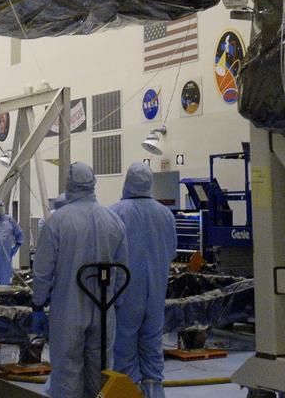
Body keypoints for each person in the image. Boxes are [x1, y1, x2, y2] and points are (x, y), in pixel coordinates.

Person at [32, 162, 129, 398]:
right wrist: (117, 301)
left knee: (67, 373)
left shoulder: (58, 221)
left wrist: (38, 303)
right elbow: (123, 268)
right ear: (93, 183)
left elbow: (43, 270)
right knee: (101, 375)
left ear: (69, 183)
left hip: (68, 308)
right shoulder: (113, 220)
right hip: (104, 309)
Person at [110, 163, 176, 398]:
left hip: (125, 296)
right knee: (152, 350)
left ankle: (128, 393)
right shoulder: (165, 214)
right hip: (156, 293)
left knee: (124, 352)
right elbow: (171, 252)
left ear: (127, 180)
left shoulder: (115, 212)